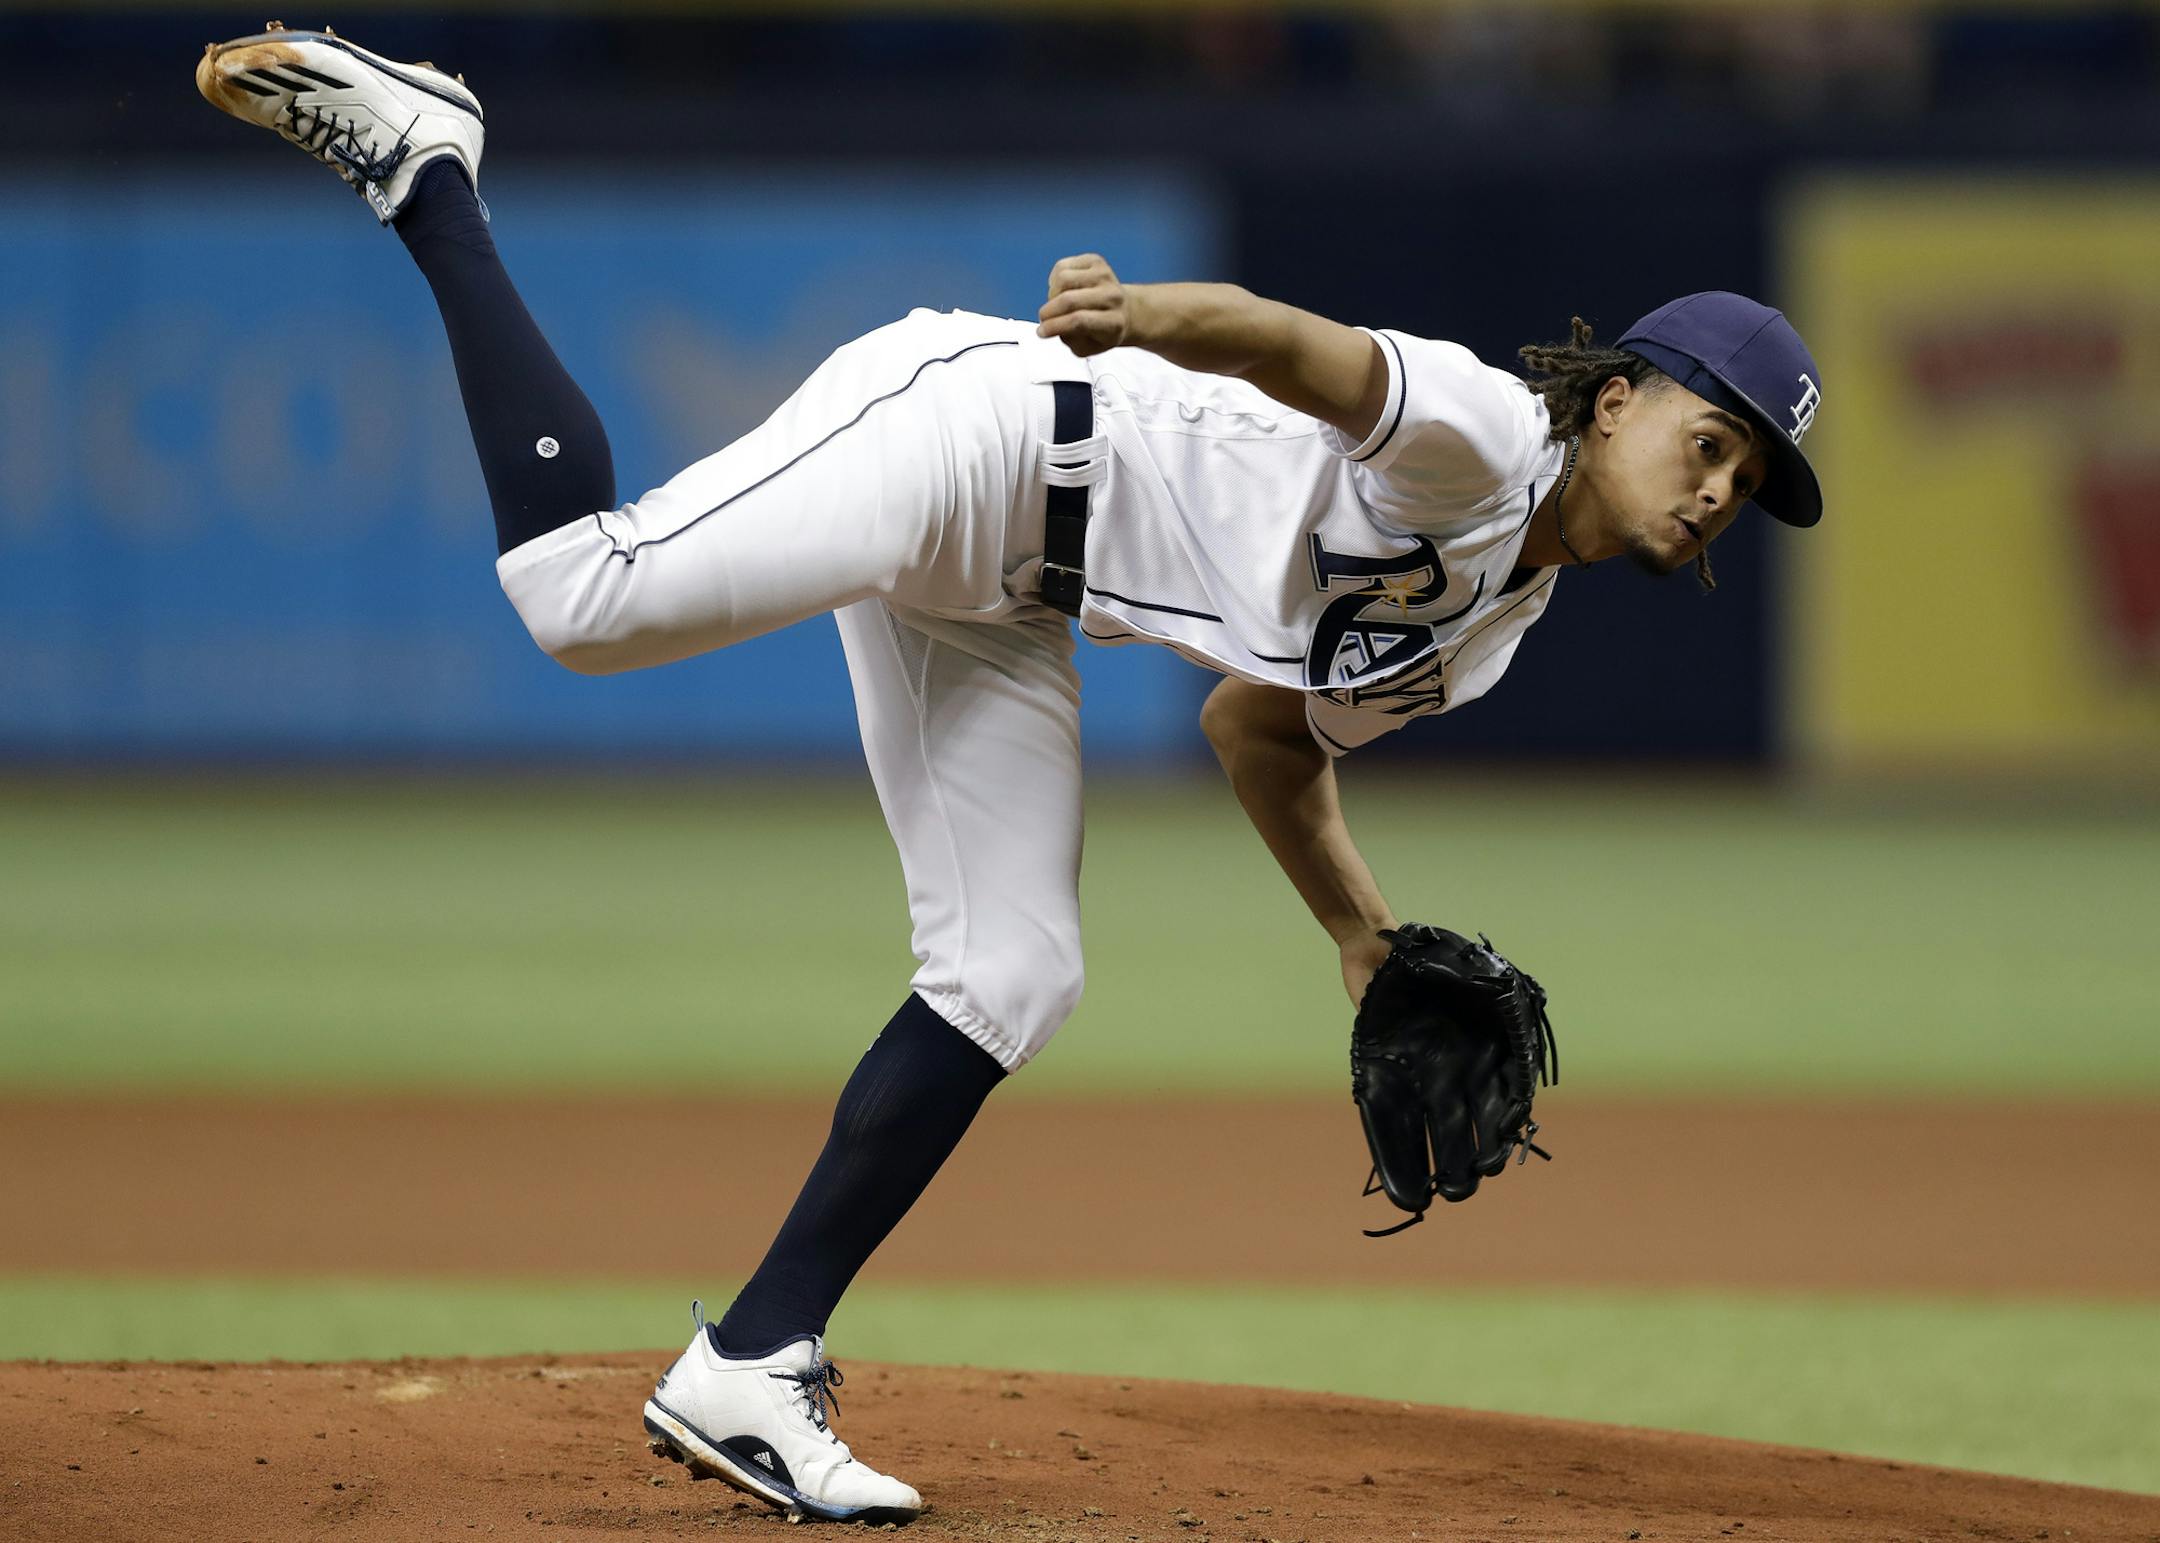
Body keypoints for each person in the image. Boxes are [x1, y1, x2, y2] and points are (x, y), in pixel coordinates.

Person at [196, 24, 1826, 1526]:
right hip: (978, 432)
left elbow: (1256, 733)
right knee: (586, 598)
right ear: (1618, 399)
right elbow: (1299, 348)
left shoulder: (1490, 638)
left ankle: (750, 1363)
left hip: (1013, 597)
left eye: (1745, 479)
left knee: (1012, 971)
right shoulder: (1484, 435)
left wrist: (1361, 934)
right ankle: (434, 175)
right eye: (1709, 440)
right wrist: (1146, 316)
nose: (1718, 489)